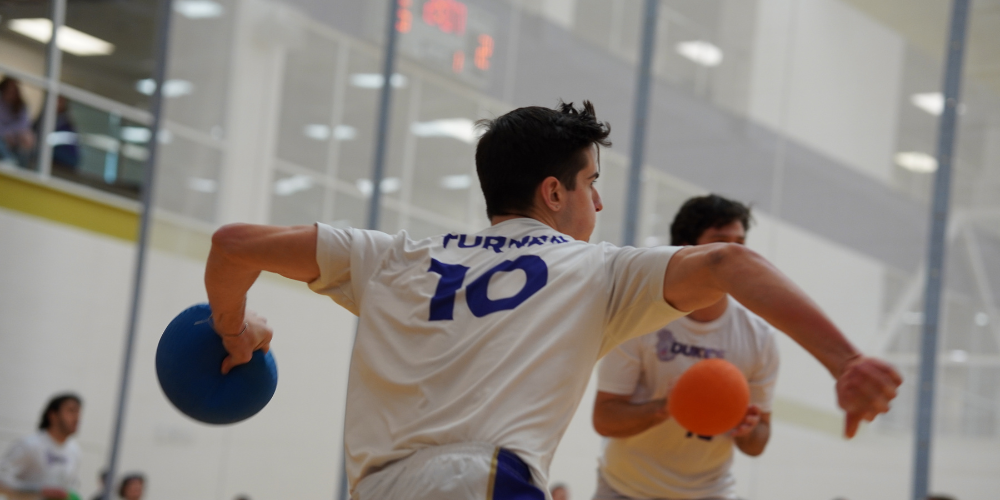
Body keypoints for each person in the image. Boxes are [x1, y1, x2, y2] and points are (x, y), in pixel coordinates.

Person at [203, 101, 901, 500]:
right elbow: (729, 262)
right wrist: (844, 361)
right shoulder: (593, 271)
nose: (598, 200)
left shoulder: (393, 256)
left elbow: (233, 244)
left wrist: (234, 332)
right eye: (590, 181)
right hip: (484, 480)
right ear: (553, 191)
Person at [592, 194, 777, 500]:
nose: (735, 256)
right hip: (625, 488)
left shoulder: (760, 337)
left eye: (740, 245)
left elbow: (758, 443)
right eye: (722, 243)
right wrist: (669, 405)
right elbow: (605, 419)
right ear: (688, 251)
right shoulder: (639, 318)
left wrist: (747, 427)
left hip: (710, 492)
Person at [0, 393, 83, 500]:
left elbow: (70, 488)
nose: (77, 418)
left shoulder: (75, 451)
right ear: (53, 415)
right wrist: (39, 490)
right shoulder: (29, 445)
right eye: (71, 411)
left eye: (78, 412)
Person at [0, 77, 37, 166]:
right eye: (9, 89)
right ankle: (9, 160)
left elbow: (24, 125)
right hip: (2, 137)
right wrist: (6, 134)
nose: (11, 92)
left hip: (14, 139)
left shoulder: (20, 105)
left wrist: (11, 134)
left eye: (14, 89)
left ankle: (22, 168)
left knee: (28, 138)